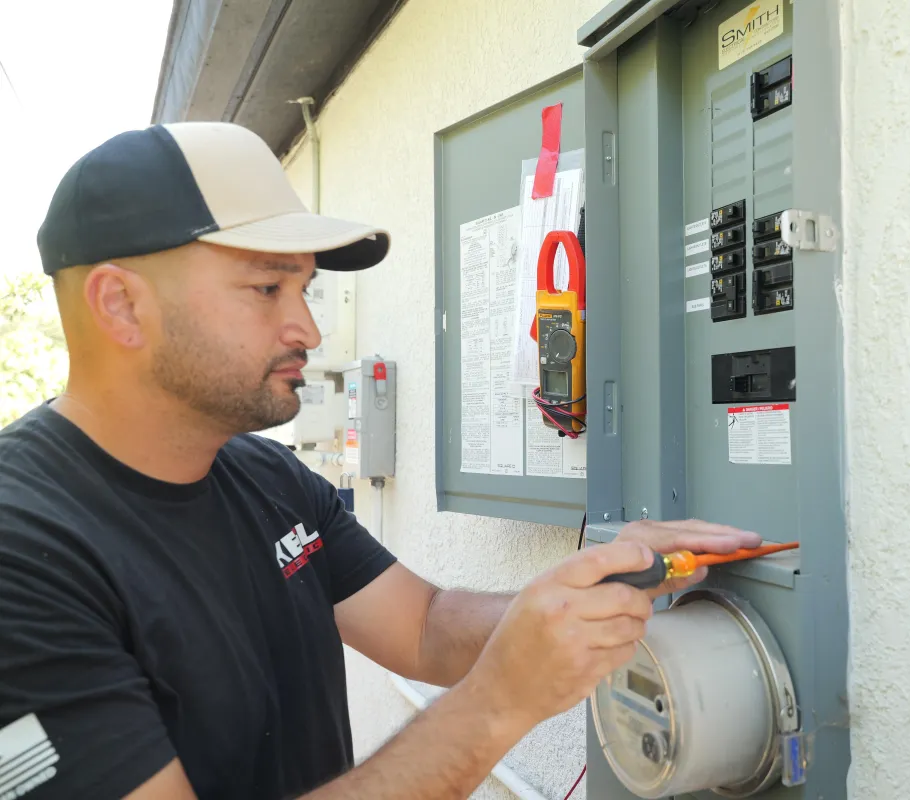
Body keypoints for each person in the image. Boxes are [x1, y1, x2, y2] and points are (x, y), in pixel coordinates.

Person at [0, 121, 761, 799]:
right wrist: (499, 700)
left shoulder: (267, 479)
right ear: (120, 305)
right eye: (266, 288)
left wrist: (591, 590)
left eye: (304, 289)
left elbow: (424, 627)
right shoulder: (23, 550)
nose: (307, 330)